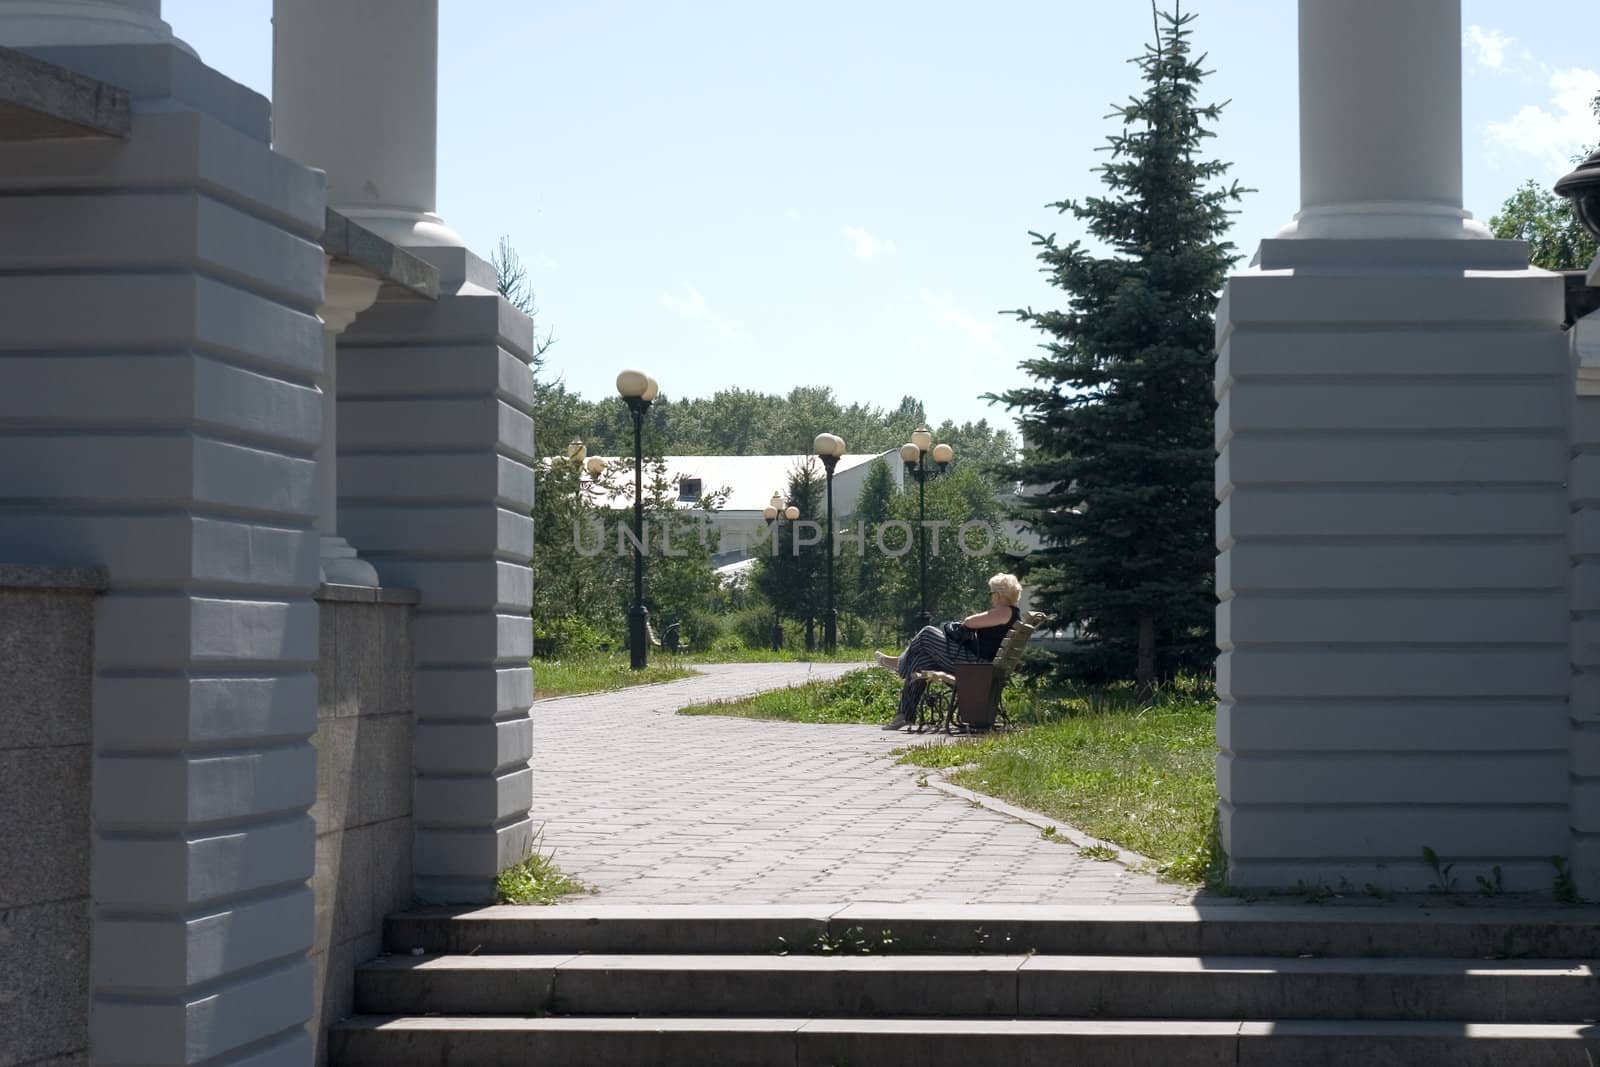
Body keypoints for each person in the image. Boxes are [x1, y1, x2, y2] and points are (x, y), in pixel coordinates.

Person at [874, 573, 1023, 731]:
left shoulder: (1004, 612)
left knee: (927, 633)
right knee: (922, 661)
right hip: (980, 667)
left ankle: (900, 663)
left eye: (991, 593)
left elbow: (969, 622)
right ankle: (903, 716)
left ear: (999, 595)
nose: (990, 597)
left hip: (976, 668)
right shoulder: (1009, 613)